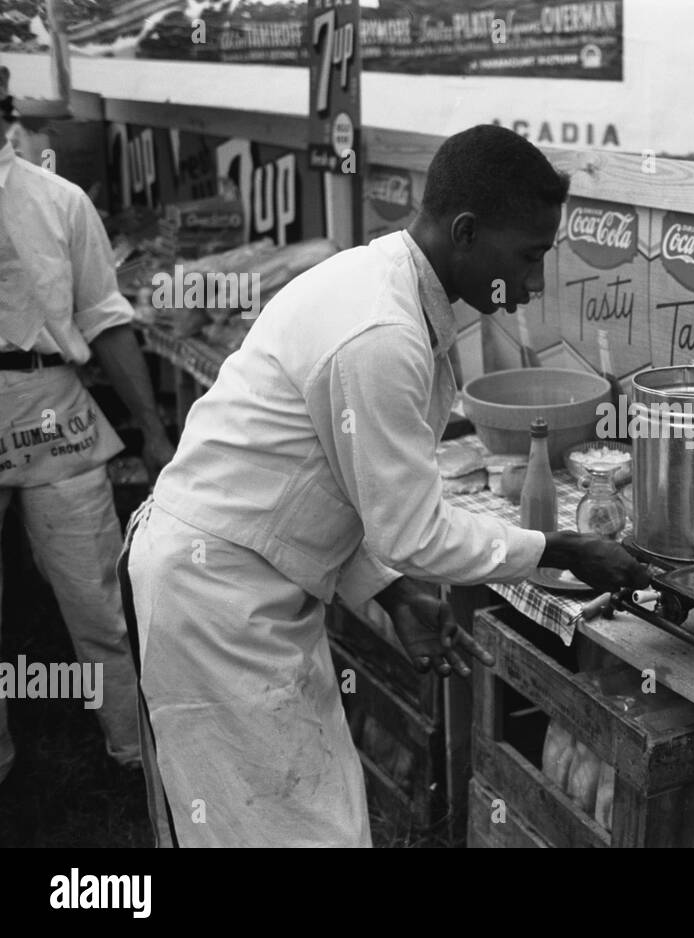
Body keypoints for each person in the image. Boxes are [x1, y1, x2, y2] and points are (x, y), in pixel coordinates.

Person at [120, 125, 650, 847]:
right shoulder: (380, 329)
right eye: (529, 257)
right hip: (214, 599)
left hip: (252, 585)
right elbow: (414, 531)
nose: (534, 284)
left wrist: (392, 591)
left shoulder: (392, 295)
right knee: (279, 832)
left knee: (309, 819)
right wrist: (563, 549)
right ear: (465, 232)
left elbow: (346, 484)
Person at [0, 74, 174, 787]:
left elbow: (106, 319)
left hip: (51, 408)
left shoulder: (57, 200)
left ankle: (135, 754)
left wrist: (156, 435)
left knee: (96, 597)